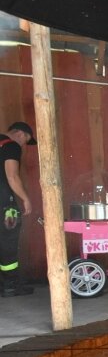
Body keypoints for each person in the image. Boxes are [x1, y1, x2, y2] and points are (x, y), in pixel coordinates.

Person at [1, 121, 37, 297]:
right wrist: (26, 199)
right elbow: (12, 176)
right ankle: (10, 285)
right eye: (26, 140)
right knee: (8, 242)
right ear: (21, 134)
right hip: (4, 205)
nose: (23, 145)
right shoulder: (11, 146)